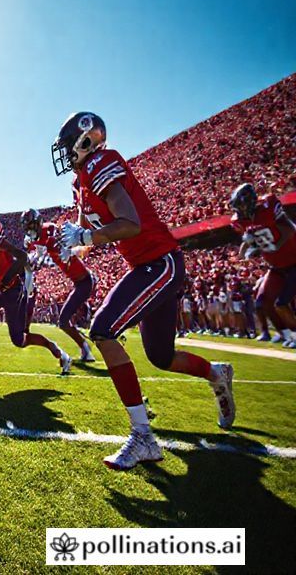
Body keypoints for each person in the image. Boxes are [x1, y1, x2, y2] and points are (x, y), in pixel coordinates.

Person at [53, 111, 234, 470]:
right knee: (161, 356)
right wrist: (79, 243)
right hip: (150, 265)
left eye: (67, 145)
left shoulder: (101, 163)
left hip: (159, 262)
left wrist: (86, 236)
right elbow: (94, 222)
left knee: (102, 330)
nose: (63, 152)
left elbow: (131, 224)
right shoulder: (82, 181)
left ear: (85, 141)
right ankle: (216, 373)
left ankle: (143, 437)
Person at [0, 200, 70, 387]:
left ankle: (57, 350)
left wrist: (7, 278)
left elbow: (22, 257)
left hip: (13, 289)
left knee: (19, 340)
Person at [21, 208, 96, 361]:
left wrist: (71, 250)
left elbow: (78, 246)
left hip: (84, 281)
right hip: (77, 282)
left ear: (38, 223)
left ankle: (86, 348)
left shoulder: (51, 231)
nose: (30, 230)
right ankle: (85, 345)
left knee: (63, 321)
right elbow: (39, 254)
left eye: (32, 226)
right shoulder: (36, 239)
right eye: (27, 227)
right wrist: (35, 257)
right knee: (64, 321)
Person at [230, 183, 296, 349]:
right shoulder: (240, 221)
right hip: (276, 266)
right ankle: (287, 335)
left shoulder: (268, 206)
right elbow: (248, 238)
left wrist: (273, 246)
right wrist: (242, 253)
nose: (240, 210)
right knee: (262, 303)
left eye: (242, 206)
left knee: (281, 303)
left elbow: (289, 229)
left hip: (293, 261)